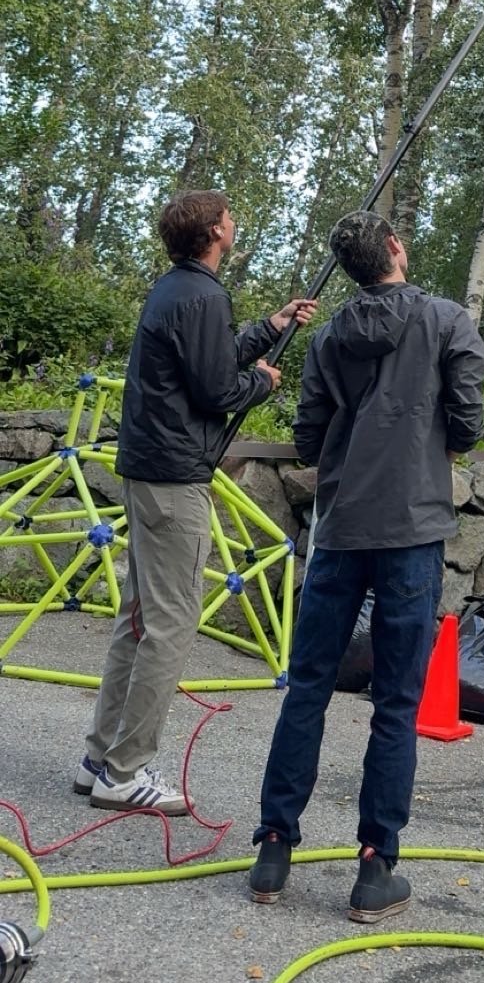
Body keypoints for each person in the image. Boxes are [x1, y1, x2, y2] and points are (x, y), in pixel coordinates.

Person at [249, 211, 484, 923]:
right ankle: (375, 865)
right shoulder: (449, 322)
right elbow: (468, 427)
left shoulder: (326, 338)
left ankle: (273, 850)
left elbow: (312, 436)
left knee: (308, 688)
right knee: (397, 702)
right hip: (411, 528)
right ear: (394, 249)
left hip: (343, 526)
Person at [77, 191, 317, 813]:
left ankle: (99, 759)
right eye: (230, 216)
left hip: (148, 470)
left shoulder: (176, 290)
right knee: (170, 625)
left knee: (138, 619)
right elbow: (217, 390)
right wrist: (261, 383)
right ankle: (125, 772)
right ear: (214, 231)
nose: (235, 222)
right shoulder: (203, 294)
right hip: (175, 477)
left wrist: (271, 327)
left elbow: (205, 360)